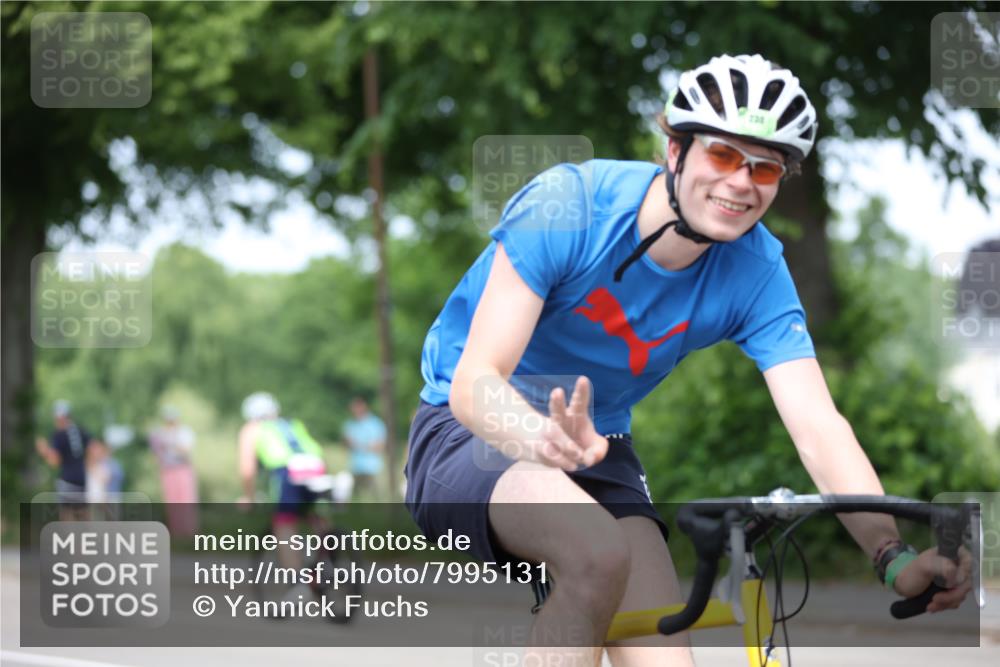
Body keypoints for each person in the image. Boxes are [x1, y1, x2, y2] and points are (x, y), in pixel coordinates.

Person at [404, 54, 972, 666]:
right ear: (674, 150)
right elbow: (476, 382)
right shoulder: (571, 205)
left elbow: (818, 427)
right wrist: (541, 437)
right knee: (597, 553)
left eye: (765, 168)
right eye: (723, 155)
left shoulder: (756, 270)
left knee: (667, 658)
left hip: (600, 446)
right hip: (471, 432)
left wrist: (892, 557)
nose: (741, 182)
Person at [237, 392, 328, 574]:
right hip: (317, 468)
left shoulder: (252, 429)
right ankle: (327, 563)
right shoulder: (292, 424)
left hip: (287, 472)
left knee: (284, 523)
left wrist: (249, 497)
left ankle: (297, 581)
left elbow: (247, 470)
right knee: (317, 517)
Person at [35, 400, 99, 520]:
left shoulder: (59, 435)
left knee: (67, 519)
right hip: (81, 482)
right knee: (83, 518)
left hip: (67, 483)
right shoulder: (80, 430)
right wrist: (87, 465)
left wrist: (44, 452)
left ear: (59, 418)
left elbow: (55, 462)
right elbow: (95, 449)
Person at [148, 405, 199, 535]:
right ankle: (177, 532)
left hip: (182, 469)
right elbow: (156, 455)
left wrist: (171, 442)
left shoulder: (184, 432)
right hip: (168, 470)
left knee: (186, 500)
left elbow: (186, 451)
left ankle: (190, 532)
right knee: (172, 502)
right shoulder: (160, 434)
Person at [342, 396, 386, 501]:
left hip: (372, 468)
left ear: (363, 407)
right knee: (356, 499)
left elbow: (380, 446)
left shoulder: (375, 424)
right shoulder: (350, 424)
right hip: (355, 467)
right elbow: (345, 444)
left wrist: (360, 445)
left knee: (374, 500)